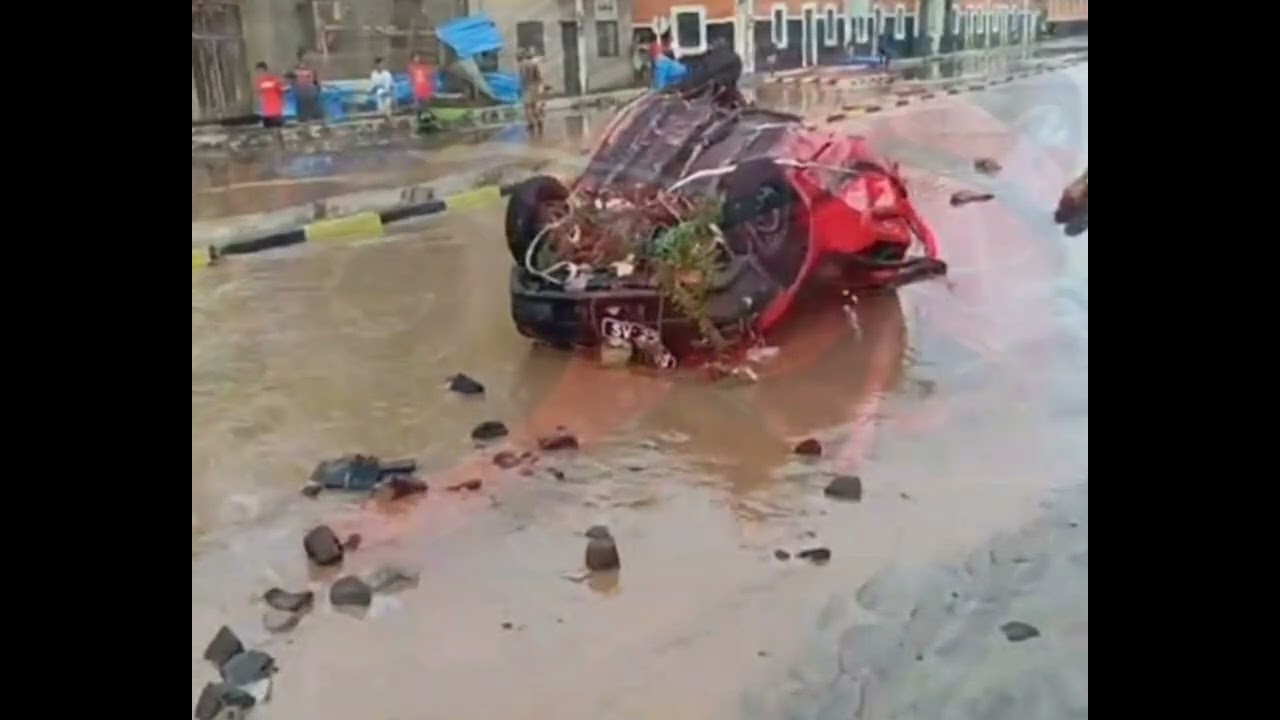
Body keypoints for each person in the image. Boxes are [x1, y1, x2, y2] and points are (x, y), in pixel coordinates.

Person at [254, 61, 285, 144]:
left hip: (269, 111)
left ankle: (277, 148)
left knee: (272, 133)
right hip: (274, 110)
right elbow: (280, 93)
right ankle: (280, 147)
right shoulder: (273, 80)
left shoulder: (259, 83)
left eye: (259, 71)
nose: (259, 74)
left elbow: (259, 96)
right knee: (278, 132)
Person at [517, 48, 546, 136]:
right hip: (535, 87)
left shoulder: (521, 65)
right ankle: (540, 123)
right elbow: (539, 77)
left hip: (526, 87)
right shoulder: (533, 64)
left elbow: (522, 78)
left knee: (527, 107)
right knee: (535, 106)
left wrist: (520, 89)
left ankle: (531, 124)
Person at [293, 49, 322, 122]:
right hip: (304, 95)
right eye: (307, 55)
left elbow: (316, 83)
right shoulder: (296, 69)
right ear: (301, 57)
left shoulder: (311, 68)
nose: (309, 57)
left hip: (308, 94)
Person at [407, 52, 435, 120]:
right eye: (416, 57)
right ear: (413, 59)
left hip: (425, 88)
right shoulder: (411, 67)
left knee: (426, 104)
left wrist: (431, 87)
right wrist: (411, 86)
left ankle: (426, 117)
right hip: (417, 88)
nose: (417, 59)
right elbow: (410, 78)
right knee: (417, 104)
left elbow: (430, 76)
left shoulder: (423, 67)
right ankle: (418, 117)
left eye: (418, 57)